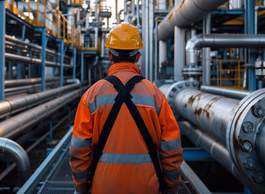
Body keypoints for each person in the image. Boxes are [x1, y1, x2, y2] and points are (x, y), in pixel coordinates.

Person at [69, 23, 183, 194]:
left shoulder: (91, 95)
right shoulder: (156, 96)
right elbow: (172, 149)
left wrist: (81, 186)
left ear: (109, 55)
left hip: (104, 186)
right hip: (148, 186)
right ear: (137, 56)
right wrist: (171, 186)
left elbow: (79, 149)